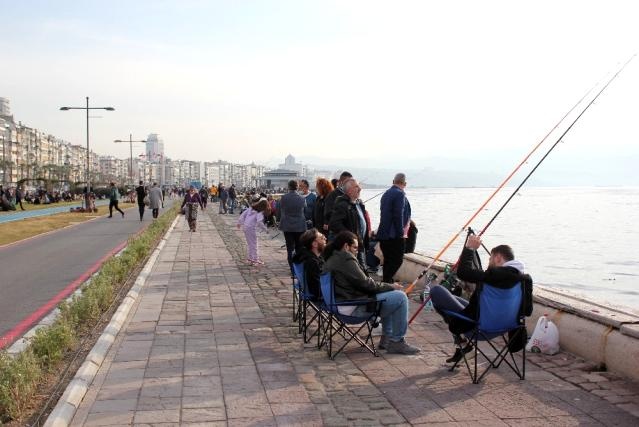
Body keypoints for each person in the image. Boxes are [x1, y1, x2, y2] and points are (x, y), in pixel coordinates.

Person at [430, 234, 532, 363]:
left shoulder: (494, 274)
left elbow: (463, 273)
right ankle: (463, 346)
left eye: (490, 259)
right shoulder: (525, 280)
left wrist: (469, 248)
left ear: (498, 258)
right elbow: (527, 311)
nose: (488, 263)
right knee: (455, 299)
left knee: (437, 291)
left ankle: (463, 343)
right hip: (506, 326)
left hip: (479, 328)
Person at [322, 231, 421, 355]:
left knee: (390, 297)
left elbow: (361, 283)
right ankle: (397, 342)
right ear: (346, 246)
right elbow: (367, 284)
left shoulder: (333, 258)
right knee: (400, 297)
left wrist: (388, 288)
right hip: (352, 308)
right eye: (355, 247)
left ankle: (387, 339)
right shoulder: (345, 259)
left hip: (340, 305)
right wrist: (391, 286)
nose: (357, 251)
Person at [376, 173, 411, 283]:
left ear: (393, 181)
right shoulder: (399, 194)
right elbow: (398, 215)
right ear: (405, 184)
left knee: (388, 260)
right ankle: (387, 281)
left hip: (383, 234)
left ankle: (387, 281)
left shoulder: (386, 194)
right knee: (397, 260)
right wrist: (400, 233)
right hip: (394, 235)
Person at [328, 178, 369, 267]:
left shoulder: (358, 204)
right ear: (349, 190)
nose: (360, 189)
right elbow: (334, 224)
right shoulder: (343, 205)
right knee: (359, 271)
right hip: (350, 246)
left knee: (362, 269)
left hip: (360, 245)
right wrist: (350, 237)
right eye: (357, 187)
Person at [279, 179, 307, 277]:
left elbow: (281, 208)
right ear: (297, 187)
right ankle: (298, 268)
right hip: (299, 225)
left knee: (289, 248)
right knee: (299, 248)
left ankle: (292, 269)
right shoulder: (302, 198)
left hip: (287, 225)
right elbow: (305, 208)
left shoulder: (284, 198)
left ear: (289, 187)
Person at [292, 228, 326, 298]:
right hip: (324, 296)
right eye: (322, 237)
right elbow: (317, 289)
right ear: (314, 244)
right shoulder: (312, 262)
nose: (325, 238)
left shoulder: (308, 257)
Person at [237, 198, 270, 265]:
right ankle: (255, 259)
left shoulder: (251, 208)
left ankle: (250, 258)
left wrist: (239, 222)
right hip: (251, 228)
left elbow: (243, 214)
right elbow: (259, 222)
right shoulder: (259, 212)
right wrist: (265, 229)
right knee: (254, 244)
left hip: (246, 226)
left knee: (250, 244)